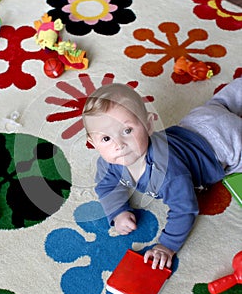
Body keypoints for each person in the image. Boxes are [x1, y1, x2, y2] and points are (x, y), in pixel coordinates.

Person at [82, 78, 242, 270]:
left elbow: (184, 209)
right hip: (198, 121)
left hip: (224, 143)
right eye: (106, 138)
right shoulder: (108, 162)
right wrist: (117, 211)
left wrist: (167, 246)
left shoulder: (167, 172)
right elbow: (106, 185)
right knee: (226, 101)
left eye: (127, 130)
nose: (119, 145)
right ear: (92, 142)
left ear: (149, 125)